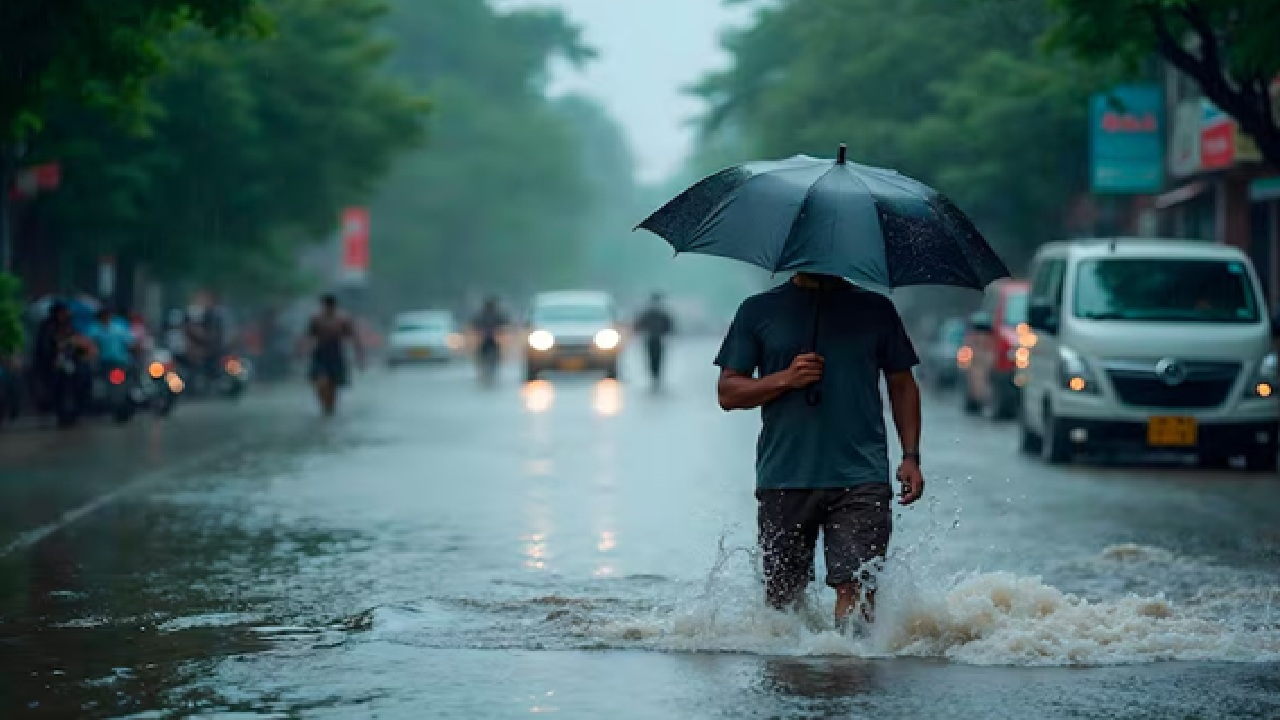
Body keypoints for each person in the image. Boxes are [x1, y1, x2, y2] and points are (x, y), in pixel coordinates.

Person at [714, 272, 924, 628]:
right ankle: (797, 678)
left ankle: (850, 674)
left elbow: (902, 384)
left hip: (861, 475)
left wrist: (911, 456)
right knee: (783, 599)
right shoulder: (758, 310)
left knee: (856, 589)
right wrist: (787, 378)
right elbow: (728, 393)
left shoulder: (876, 310)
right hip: (784, 474)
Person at [305, 294, 363, 416]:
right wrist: (303, 350)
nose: (327, 309)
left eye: (329, 306)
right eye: (325, 306)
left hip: (336, 354)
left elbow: (354, 337)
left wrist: (360, 356)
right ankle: (325, 406)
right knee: (321, 383)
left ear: (334, 306)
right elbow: (309, 336)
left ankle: (329, 409)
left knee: (333, 387)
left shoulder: (342, 319)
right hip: (320, 354)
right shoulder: (316, 319)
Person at [634, 292, 675, 387]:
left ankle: (656, 375)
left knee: (658, 358)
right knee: (651, 358)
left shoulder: (661, 314)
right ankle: (654, 375)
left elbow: (669, 326)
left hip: (659, 339)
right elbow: (640, 324)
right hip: (650, 339)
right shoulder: (649, 313)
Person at [471, 296, 508, 382]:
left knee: (486, 354)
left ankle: (486, 370)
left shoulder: (483, 314)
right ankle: (486, 370)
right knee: (483, 354)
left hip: (489, 340)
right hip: (488, 340)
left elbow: (474, 324)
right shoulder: (493, 314)